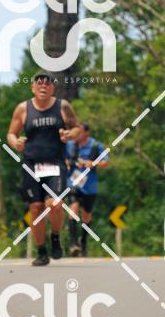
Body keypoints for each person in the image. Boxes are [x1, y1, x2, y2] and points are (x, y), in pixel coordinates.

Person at [7, 72, 81, 266]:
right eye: (39, 83)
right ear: (33, 87)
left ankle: (55, 237)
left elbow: (77, 128)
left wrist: (69, 135)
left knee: (55, 204)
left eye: (47, 84)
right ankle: (41, 251)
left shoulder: (63, 106)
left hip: (55, 163)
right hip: (32, 165)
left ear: (52, 88)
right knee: (36, 207)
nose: (43, 86)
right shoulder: (23, 109)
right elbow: (11, 133)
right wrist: (16, 142)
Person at [66, 123, 109, 257]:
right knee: (73, 210)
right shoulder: (70, 145)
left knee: (86, 215)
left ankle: (83, 241)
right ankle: (73, 243)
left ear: (86, 133)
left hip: (89, 186)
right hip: (73, 182)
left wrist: (93, 163)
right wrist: (66, 162)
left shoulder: (96, 145)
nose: (76, 134)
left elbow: (106, 162)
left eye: (79, 132)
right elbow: (61, 156)